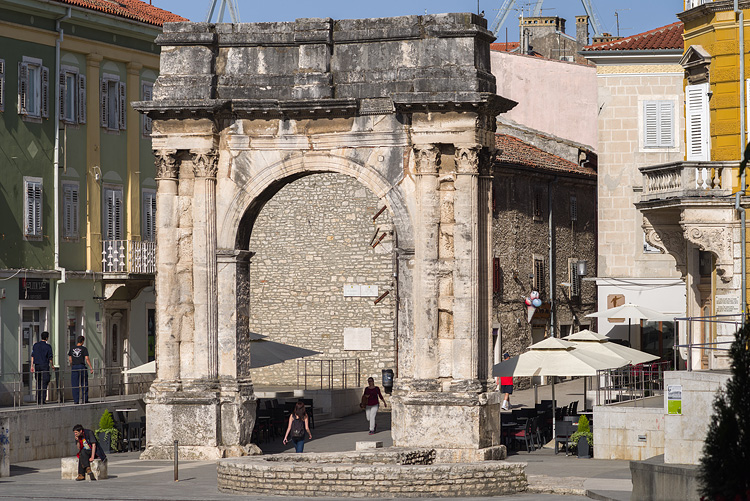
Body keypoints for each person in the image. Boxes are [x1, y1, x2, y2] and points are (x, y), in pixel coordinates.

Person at [68, 336, 93, 404]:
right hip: (81, 366)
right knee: (84, 383)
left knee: (75, 384)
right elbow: (87, 358)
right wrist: (91, 367)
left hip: (74, 366)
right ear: (82, 341)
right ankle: (85, 399)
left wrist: (71, 365)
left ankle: (76, 400)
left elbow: (70, 359)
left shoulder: (72, 348)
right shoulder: (84, 349)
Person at [30, 331, 54, 404]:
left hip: (37, 365)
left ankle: (38, 399)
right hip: (44, 365)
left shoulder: (35, 345)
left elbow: (32, 356)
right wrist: (52, 365)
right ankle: (42, 399)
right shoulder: (48, 347)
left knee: (38, 382)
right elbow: (50, 358)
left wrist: (32, 366)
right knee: (44, 382)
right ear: (46, 338)